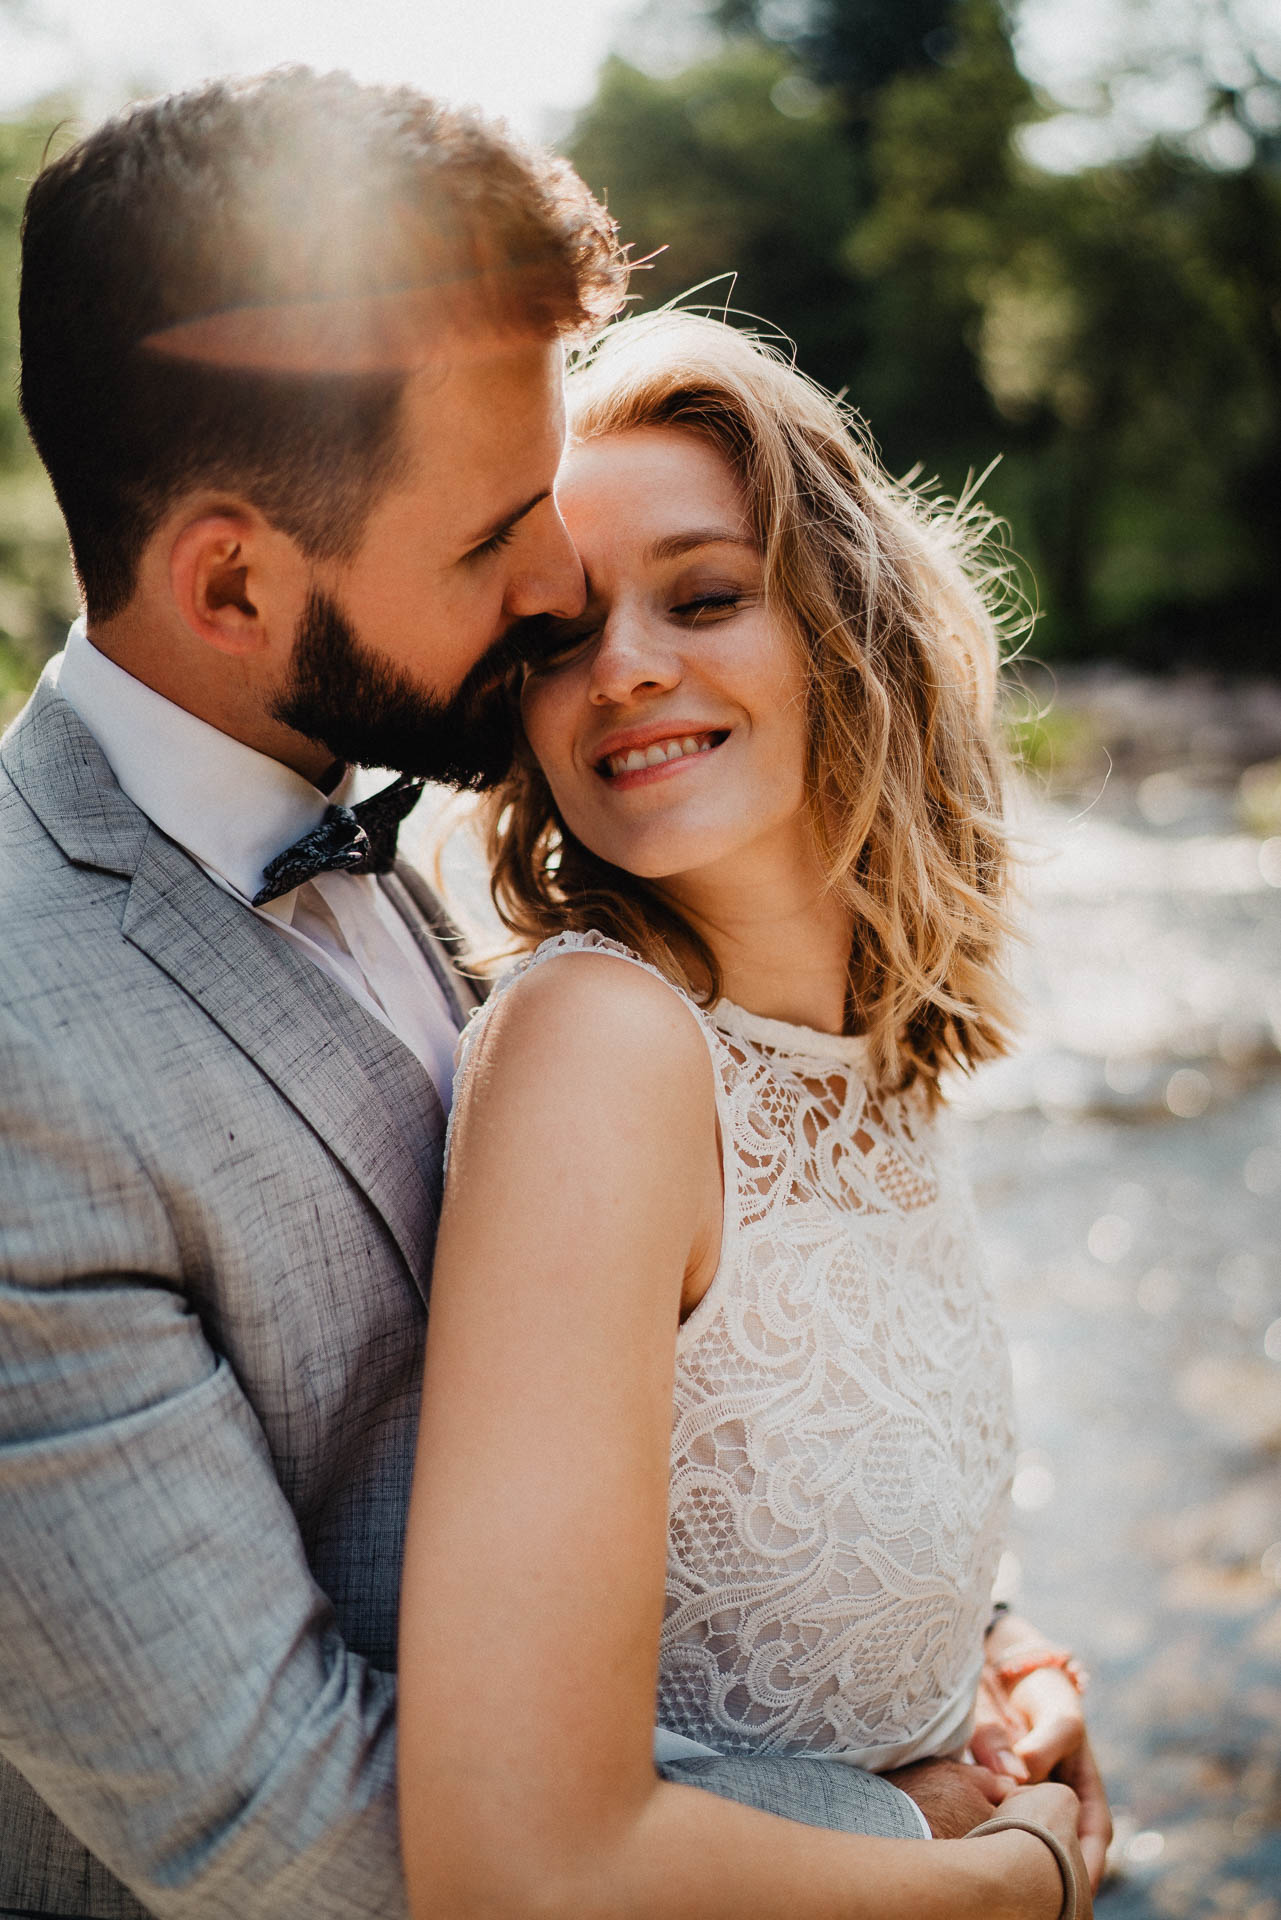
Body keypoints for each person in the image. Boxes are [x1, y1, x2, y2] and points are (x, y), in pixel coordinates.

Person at [0, 65, 1100, 1920]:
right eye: (499, 532)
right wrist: (955, 1850)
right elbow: (278, 1821)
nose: (549, 593)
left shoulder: (393, 841)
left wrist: (983, 1670)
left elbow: (702, 1443)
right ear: (233, 581)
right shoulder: (30, 1044)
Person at [396, 311, 1108, 1919]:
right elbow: (514, 1869)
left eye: (703, 596)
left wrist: (1012, 1667)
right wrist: (1010, 1879)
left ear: (847, 628)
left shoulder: (875, 1061)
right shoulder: (598, 1047)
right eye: (557, 635)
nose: (622, 666)